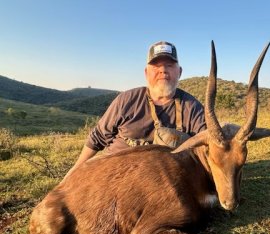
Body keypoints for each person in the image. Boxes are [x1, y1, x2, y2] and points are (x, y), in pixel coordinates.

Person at [66, 41, 206, 175]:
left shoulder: (193, 108)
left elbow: (209, 144)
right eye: (156, 66)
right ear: (146, 73)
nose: (163, 70)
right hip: (112, 175)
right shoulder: (126, 100)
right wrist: (73, 173)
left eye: (169, 65)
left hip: (163, 183)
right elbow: (97, 138)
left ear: (179, 72)